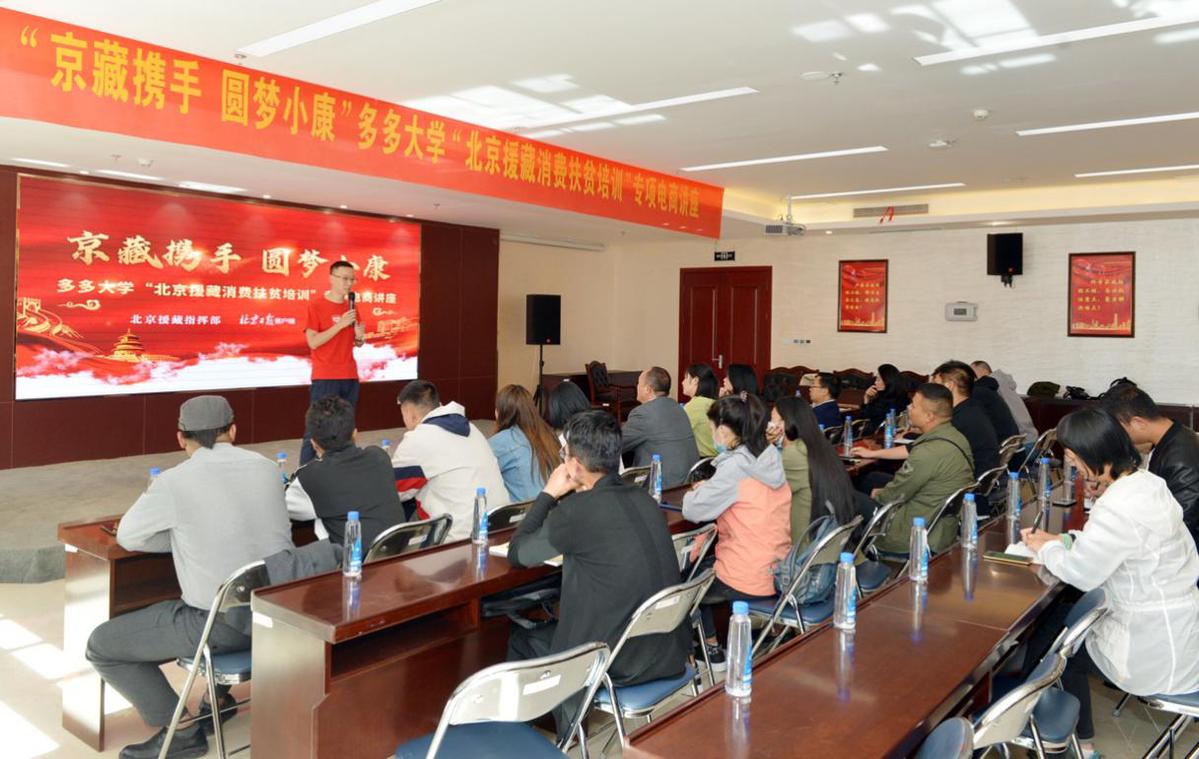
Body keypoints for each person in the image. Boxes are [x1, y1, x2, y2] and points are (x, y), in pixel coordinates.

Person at [86, 396, 293, 759]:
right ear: (233, 431)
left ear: (181, 438)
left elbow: (128, 537)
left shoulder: (173, 482)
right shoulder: (266, 469)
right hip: (280, 614)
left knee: (102, 645)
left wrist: (182, 537)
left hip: (221, 625)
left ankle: (181, 733)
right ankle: (217, 702)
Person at [1021, 408, 1199, 758]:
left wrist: (1047, 549)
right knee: (1060, 631)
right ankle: (1081, 742)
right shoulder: (1147, 483)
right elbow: (1125, 546)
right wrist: (1063, 541)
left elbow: (1083, 573)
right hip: (1179, 628)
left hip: (1155, 648)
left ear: (1088, 454)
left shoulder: (1118, 505)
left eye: (1072, 459)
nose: (1072, 466)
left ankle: (1062, 746)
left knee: (1051, 646)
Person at [507, 410, 690, 738]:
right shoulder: (644, 499)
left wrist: (548, 494)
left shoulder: (577, 511)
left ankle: (553, 738)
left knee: (523, 639)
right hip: (668, 650)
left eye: (564, 454)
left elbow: (518, 553)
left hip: (618, 661)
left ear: (574, 464)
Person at [682, 394, 791, 668]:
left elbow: (692, 510)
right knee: (704, 564)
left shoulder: (734, 466)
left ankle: (712, 650)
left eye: (711, 429)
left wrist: (701, 491)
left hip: (747, 574)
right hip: (779, 566)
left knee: (685, 581)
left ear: (722, 430)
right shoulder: (769, 456)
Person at [853, 384, 974, 554]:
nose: (909, 408)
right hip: (941, 523)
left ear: (929, 416)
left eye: (914, 405)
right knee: (872, 478)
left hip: (912, 531)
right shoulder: (957, 437)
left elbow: (893, 495)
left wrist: (877, 494)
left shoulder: (927, 452)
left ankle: (851, 553)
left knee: (846, 497)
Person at [391, 380, 510, 541]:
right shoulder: (472, 429)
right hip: (500, 528)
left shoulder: (418, 439)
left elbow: (392, 491)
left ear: (410, 413)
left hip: (458, 538)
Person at [286, 396, 405, 548]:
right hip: (400, 552)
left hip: (355, 560)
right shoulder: (380, 456)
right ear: (355, 434)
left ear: (314, 444)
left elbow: (283, 509)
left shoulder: (311, 478)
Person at [1102, 383, 1199, 550]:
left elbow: (1181, 526)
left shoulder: (1180, 458)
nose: (1120, 438)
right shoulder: (1171, 436)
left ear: (1138, 422)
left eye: (1120, 432)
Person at [301, 260, 367, 465]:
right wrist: (340, 325)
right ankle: (304, 473)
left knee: (346, 428)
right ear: (331, 278)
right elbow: (313, 342)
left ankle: (341, 469)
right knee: (317, 427)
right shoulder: (316, 305)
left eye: (352, 279)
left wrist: (360, 337)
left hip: (349, 375)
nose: (349, 283)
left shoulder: (352, 308)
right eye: (344, 278)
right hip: (325, 376)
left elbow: (356, 342)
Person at [770, 396, 858, 539]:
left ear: (784, 424)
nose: (768, 425)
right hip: (830, 534)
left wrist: (766, 445)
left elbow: (770, 494)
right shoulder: (819, 444)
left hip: (805, 540)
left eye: (772, 419)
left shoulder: (794, 453)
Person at [621, 366, 700, 487]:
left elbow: (616, 444)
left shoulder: (643, 413)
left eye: (638, 383)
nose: (636, 386)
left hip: (662, 487)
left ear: (648, 389)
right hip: (688, 482)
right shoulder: (677, 408)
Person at [489, 384, 561, 502]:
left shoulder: (503, 441)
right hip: (554, 506)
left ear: (500, 412)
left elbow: (480, 469)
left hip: (527, 510)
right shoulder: (548, 434)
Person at [932, 360, 1000, 478]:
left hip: (969, 480)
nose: (932, 392)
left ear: (949, 385)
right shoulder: (972, 408)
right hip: (982, 475)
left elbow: (932, 447)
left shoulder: (961, 417)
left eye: (936, 385)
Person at [972, 360, 1037, 446]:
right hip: (1031, 437)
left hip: (1021, 443)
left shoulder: (991, 386)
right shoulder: (1004, 383)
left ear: (984, 370)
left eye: (972, 373)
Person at [859, 364, 910, 432]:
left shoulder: (887, 401)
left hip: (877, 434)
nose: (875, 382)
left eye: (878, 380)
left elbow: (865, 416)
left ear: (888, 381)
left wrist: (866, 399)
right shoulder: (899, 396)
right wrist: (867, 398)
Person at [682, 362, 719, 457]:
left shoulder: (695, 405)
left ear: (695, 380)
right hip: (716, 458)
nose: (682, 382)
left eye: (686, 378)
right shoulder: (714, 402)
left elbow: (678, 433)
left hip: (702, 460)